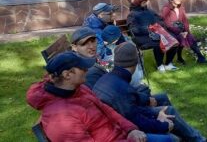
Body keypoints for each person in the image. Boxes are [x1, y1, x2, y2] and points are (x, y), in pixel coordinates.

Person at [26, 52, 171, 142]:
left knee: (172, 139)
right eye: (82, 68)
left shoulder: (79, 88)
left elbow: (106, 109)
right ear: (67, 74)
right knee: (171, 139)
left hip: (121, 135)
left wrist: (131, 129)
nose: (87, 70)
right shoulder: (61, 119)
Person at [94, 42, 207, 142]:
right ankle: (198, 139)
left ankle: (185, 133)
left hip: (117, 120)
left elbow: (132, 107)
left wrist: (152, 108)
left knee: (162, 100)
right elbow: (136, 120)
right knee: (170, 117)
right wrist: (163, 125)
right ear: (136, 62)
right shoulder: (123, 88)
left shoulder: (109, 78)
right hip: (121, 129)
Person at [70, 27, 173, 110]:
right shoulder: (87, 70)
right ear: (74, 47)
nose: (91, 46)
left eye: (93, 41)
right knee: (154, 97)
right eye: (85, 44)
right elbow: (104, 101)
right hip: (116, 107)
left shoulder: (90, 60)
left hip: (117, 96)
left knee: (145, 90)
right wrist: (143, 99)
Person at [128, 0, 179, 72]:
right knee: (159, 42)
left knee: (174, 40)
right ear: (138, 3)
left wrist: (160, 27)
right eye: (143, 2)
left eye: (146, 2)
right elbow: (134, 29)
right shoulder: (132, 14)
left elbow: (159, 20)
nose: (145, 4)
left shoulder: (150, 11)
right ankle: (160, 65)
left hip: (156, 33)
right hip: (143, 37)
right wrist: (148, 29)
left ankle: (168, 64)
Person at [161, 0, 207, 64]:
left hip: (181, 29)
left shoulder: (181, 8)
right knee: (180, 38)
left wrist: (186, 31)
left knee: (191, 39)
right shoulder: (166, 8)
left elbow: (185, 20)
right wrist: (179, 32)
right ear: (171, 0)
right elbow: (167, 24)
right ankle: (179, 58)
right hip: (170, 31)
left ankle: (200, 58)